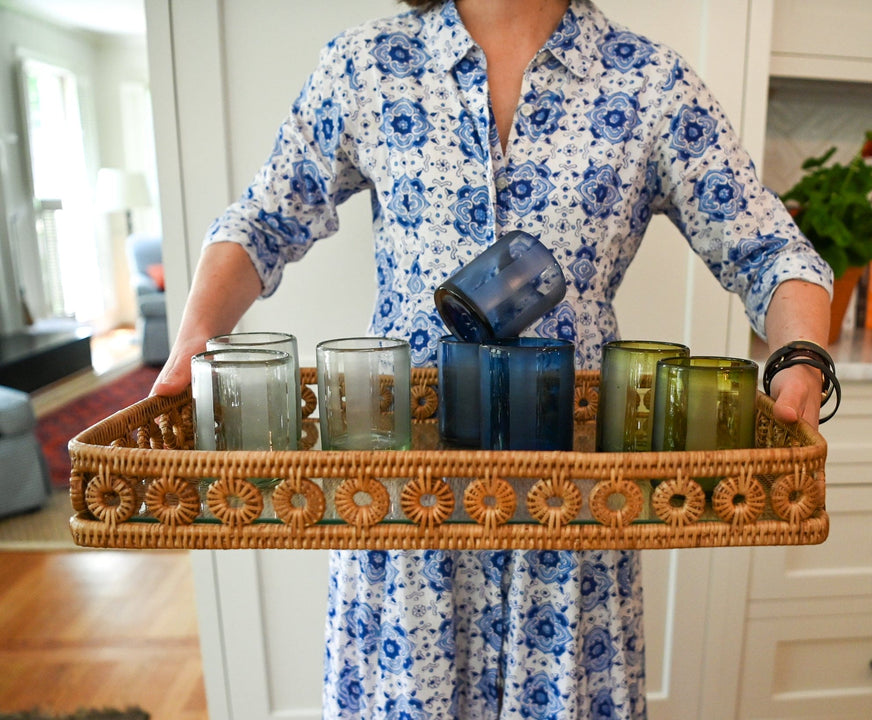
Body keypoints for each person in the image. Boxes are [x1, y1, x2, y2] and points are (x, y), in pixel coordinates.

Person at [152, 0, 833, 716]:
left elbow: (770, 248)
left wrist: (799, 357)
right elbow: (264, 218)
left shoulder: (651, 82)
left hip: (570, 507)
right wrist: (196, 336)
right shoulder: (366, 65)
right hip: (403, 493)